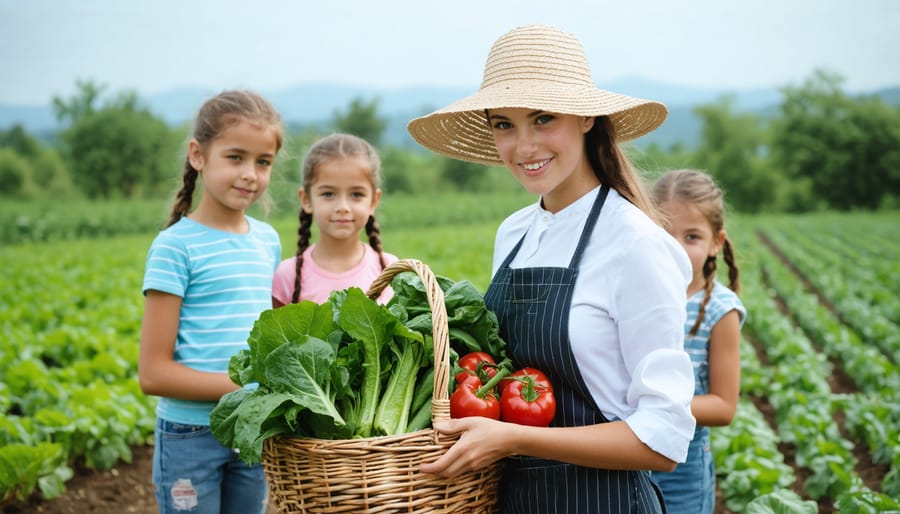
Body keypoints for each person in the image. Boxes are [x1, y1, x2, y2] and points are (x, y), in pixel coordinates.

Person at [407, 25, 696, 513]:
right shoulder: (515, 233)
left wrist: (514, 438)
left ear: (586, 119)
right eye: (504, 124)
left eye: (543, 119)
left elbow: (663, 439)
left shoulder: (636, 244)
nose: (523, 146)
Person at [138, 90, 284, 514]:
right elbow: (153, 373)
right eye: (235, 157)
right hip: (189, 437)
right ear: (198, 156)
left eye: (263, 162)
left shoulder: (266, 241)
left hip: (249, 430)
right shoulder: (175, 247)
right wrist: (244, 387)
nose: (250, 175)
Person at [649, 169, 746, 514]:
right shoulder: (639, 296)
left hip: (683, 468)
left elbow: (723, 406)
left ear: (715, 243)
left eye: (691, 237)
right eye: (664, 233)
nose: (676, 248)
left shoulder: (721, 311)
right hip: (627, 458)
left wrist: (650, 408)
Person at [271, 133, 397, 307]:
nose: (342, 207)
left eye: (356, 194)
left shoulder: (390, 269)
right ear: (306, 200)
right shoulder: (286, 276)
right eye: (328, 194)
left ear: (374, 201)